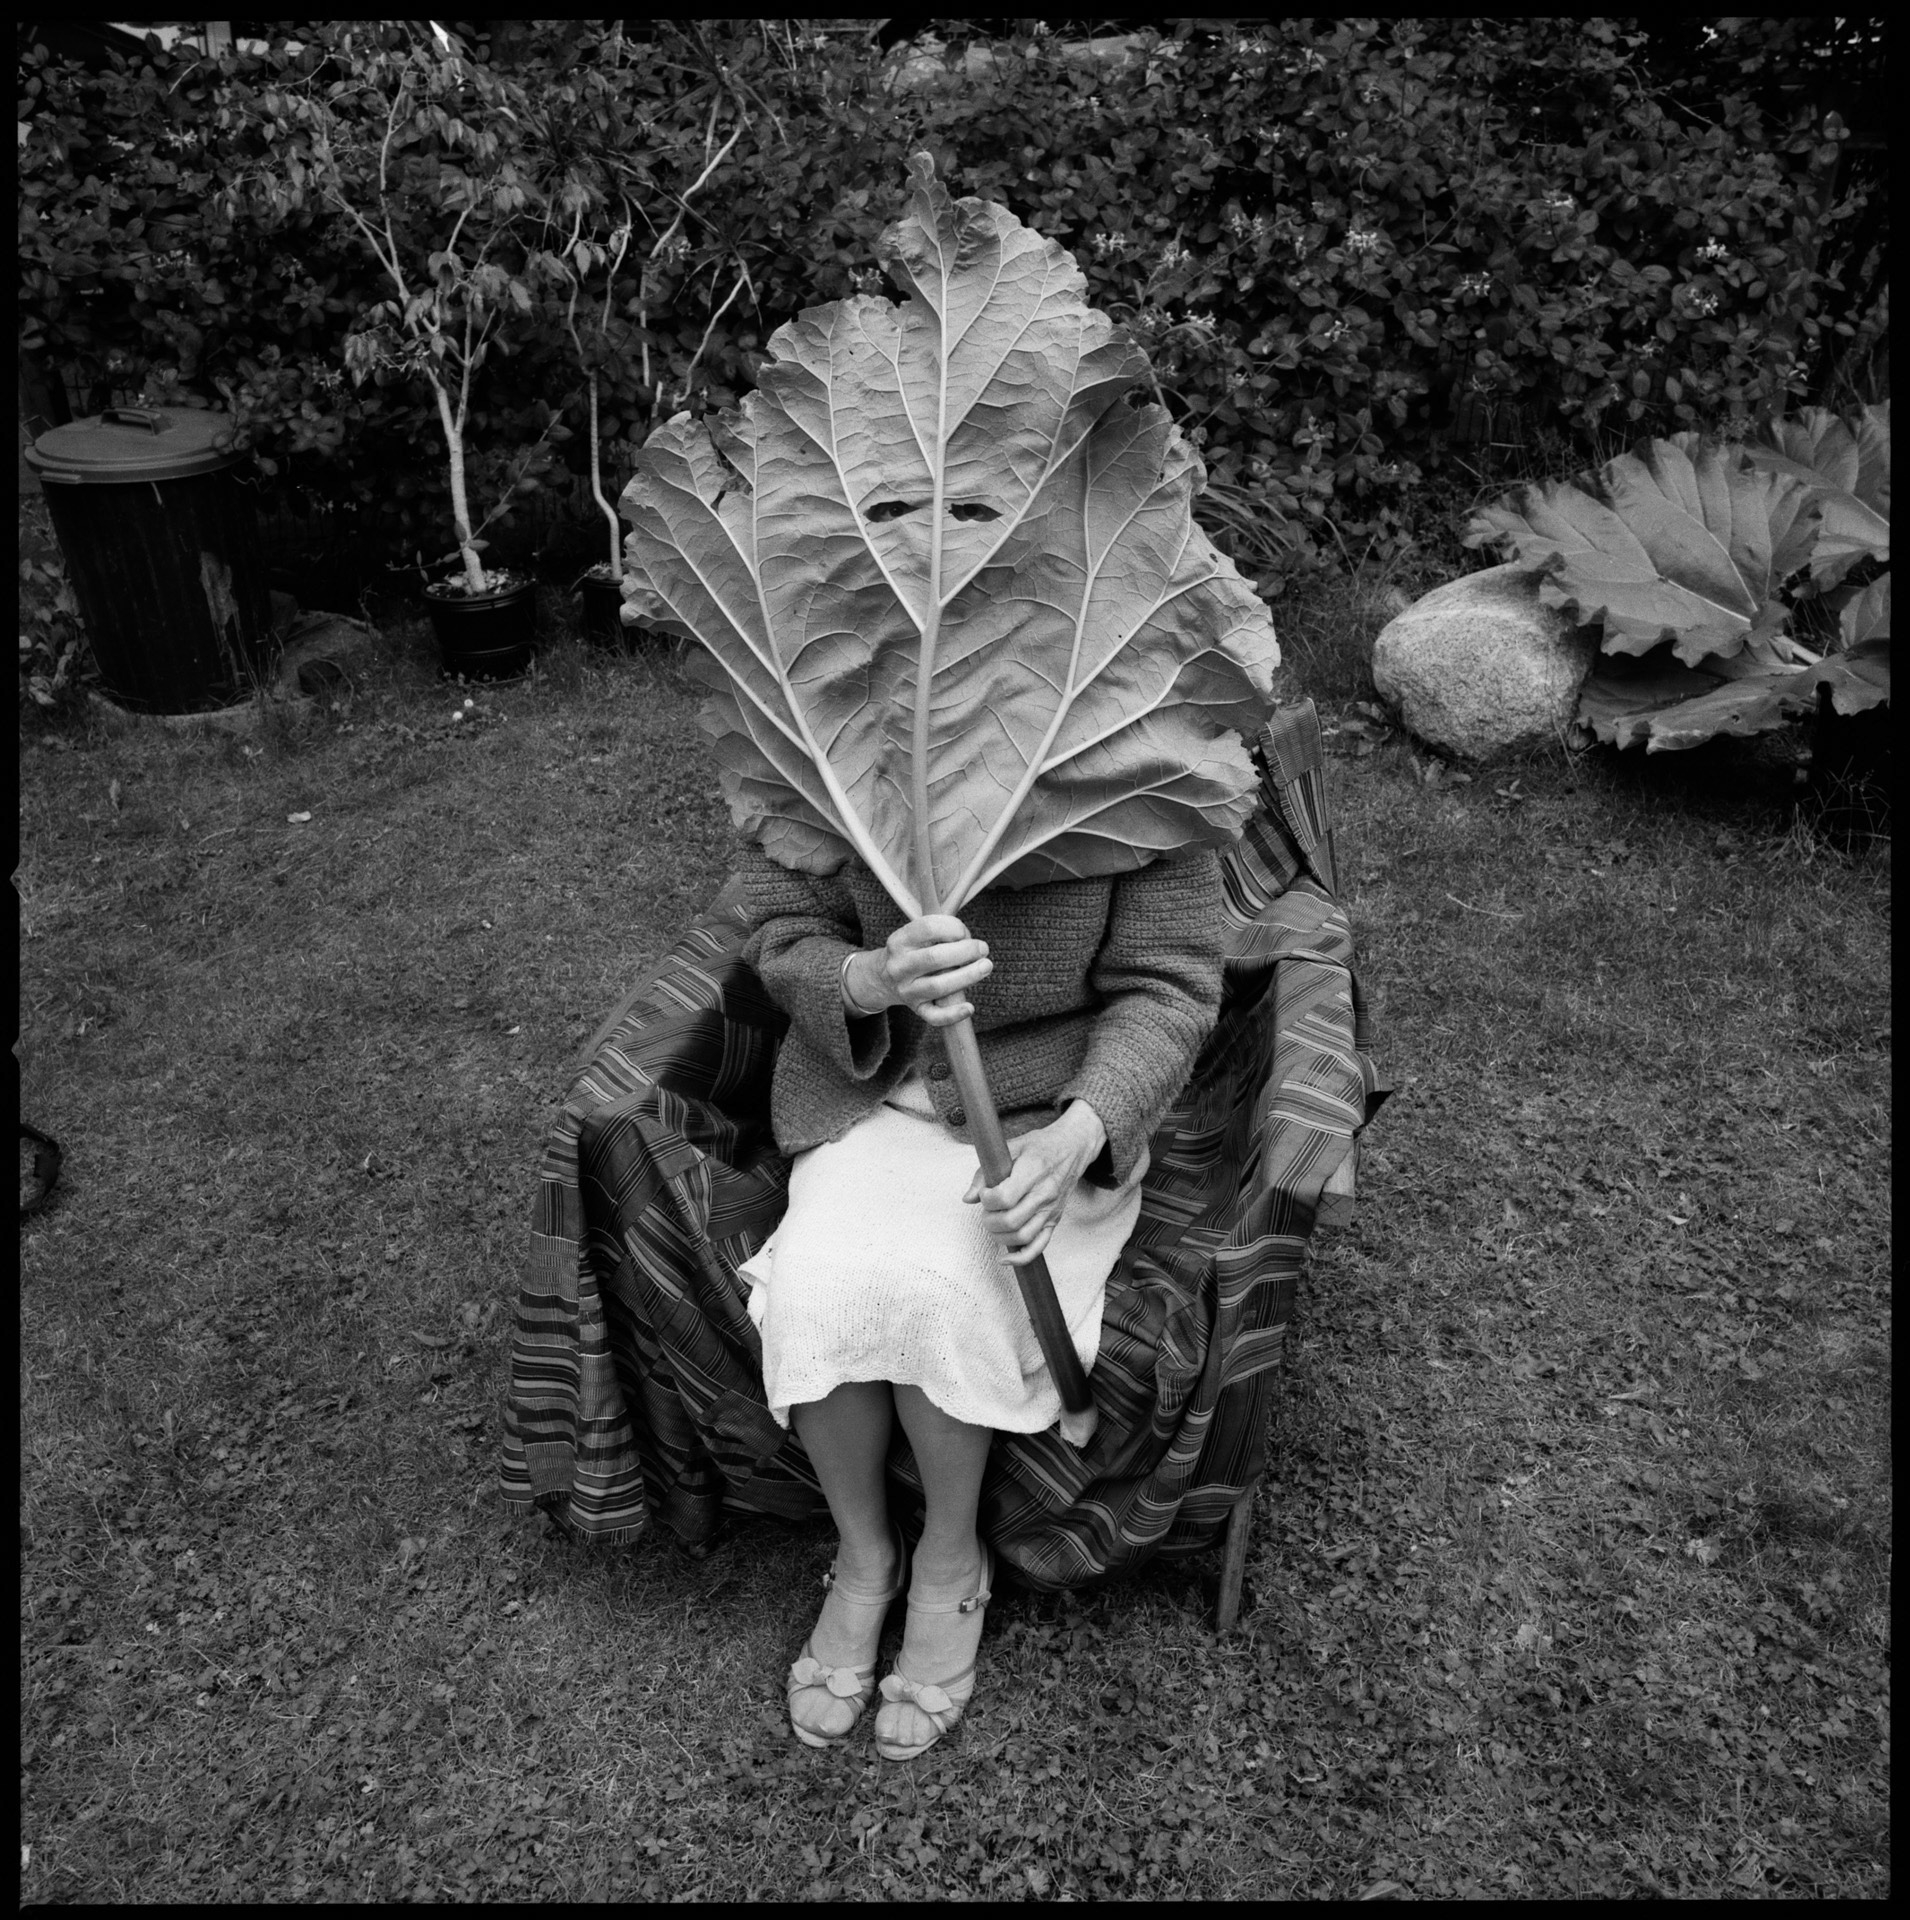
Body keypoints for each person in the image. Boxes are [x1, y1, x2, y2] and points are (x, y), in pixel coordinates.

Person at [735, 837, 1225, 1759]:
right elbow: (778, 920)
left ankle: (951, 1557)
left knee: (944, 1291)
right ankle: (866, 1555)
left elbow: (1169, 991)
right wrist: (864, 979)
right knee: (818, 1288)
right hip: (870, 1100)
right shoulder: (849, 715)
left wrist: (1079, 1140)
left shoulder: (1145, 727)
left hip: (1044, 1122)